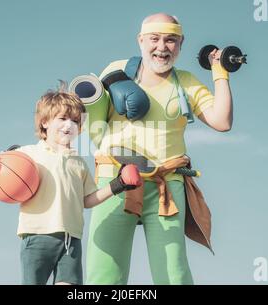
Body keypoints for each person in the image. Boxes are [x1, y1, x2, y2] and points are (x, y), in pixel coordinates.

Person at [86, 13, 234, 284]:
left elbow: (222, 121)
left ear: (181, 43)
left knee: (173, 274)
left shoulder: (186, 82)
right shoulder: (116, 70)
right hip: (115, 180)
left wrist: (220, 71)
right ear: (140, 40)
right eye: (154, 39)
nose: (162, 47)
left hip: (166, 182)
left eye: (170, 40)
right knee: (104, 272)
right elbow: (93, 123)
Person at [16, 85, 142, 285]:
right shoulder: (28, 154)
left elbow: (88, 200)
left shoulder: (79, 162)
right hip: (37, 237)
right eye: (63, 118)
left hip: (71, 240)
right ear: (45, 122)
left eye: (75, 121)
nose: (69, 125)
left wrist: (118, 184)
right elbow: (5, 172)